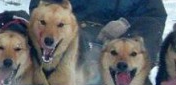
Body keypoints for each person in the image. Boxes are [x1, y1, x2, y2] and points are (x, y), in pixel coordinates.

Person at [29, 0, 167, 65]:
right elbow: (41, 7)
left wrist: (125, 23)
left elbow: (154, 15)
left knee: (151, 27)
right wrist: (68, 24)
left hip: (120, 44)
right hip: (72, 38)